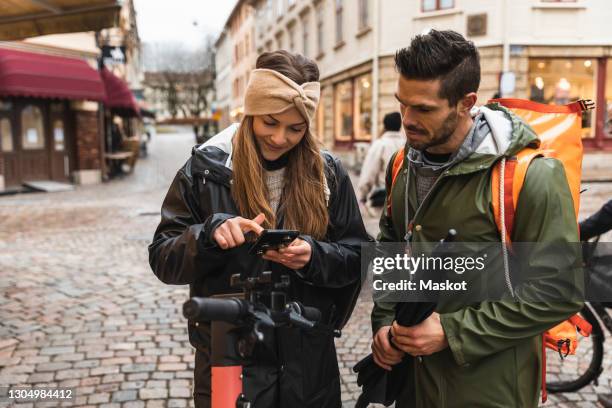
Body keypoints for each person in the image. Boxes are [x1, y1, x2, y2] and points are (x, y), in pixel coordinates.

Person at [370, 30, 582, 407]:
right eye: (402, 104)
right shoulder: (402, 162)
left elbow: (558, 293)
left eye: (423, 109)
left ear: (466, 102)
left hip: (489, 389)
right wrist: (384, 319)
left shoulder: (530, 176)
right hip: (414, 387)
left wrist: (452, 333)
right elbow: (390, 247)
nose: (407, 120)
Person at [148, 50, 368, 408]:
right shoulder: (205, 171)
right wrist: (209, 236)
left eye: (296, 128)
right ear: (250, 112)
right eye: (270, 123)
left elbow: (359, 256)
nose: (281, 138)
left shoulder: (328, 173)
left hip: (308, 363)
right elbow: (163, 257)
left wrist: (314, 256)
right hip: (229, 358)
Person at [356, 112, 405, 208]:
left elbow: (368, 174)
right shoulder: (406, 145)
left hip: (383, 201)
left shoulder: (380, 145)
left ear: (385, 125)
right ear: (400, 125)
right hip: (404, 201)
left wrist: (362, 196)